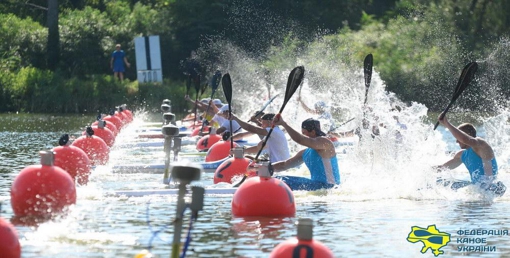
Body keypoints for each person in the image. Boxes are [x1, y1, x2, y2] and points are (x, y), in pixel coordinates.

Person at [435, 112, 505, 194]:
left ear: (468, 135)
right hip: (478, 189)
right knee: (442, 183)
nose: (456, 141)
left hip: (492, 189)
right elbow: (442, 168)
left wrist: (447, 123)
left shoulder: (481, 145)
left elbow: (465, 139)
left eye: (457, 137)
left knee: (481, 188)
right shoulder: (462, 155)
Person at [270, 116, 340, 191]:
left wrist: (284, 124)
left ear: (313, 132)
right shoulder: (305, 152)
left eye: (304, 133)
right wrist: (263, 168)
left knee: (281, 181)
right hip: (316, 185)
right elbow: (284, 165)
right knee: (278, 179)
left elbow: (300, 139)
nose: (302, 135)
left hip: (329, 187)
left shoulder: (325, 143)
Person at [222, 112, 290, 163]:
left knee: (249, 160)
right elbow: (258, 148)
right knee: (247, 157)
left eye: (263, 123)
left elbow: (250, 128)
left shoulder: (274, 131)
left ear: (270, 122)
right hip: (274, 163)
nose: (262, 126)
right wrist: (241, 151)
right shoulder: (271, 133)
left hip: (280, 165)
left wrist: (235, 118)